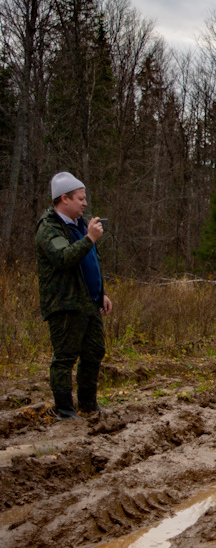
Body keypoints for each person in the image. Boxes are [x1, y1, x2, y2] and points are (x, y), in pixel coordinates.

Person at [35, 172, 112, 419]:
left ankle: (88, 405)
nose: (85, 203)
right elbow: (63, 258)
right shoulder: (49, 228)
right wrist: (90, 237)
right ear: (64, 199)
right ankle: (65, 411)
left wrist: (102, 293)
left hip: (90, 302)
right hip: (65, 304)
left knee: (94, 351)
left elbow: (91, 262)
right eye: (80, 198)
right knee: (65, 357)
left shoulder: (81, 224)